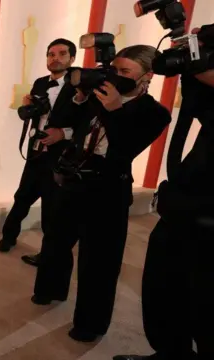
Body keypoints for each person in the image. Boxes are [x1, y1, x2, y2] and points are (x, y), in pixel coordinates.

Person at [32, 45, 171, 343]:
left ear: (146, 76)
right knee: (55, 240)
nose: (116, 77)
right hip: (74, 176)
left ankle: (90, 324)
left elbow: (125, 148)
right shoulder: (99, 94)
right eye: (114, 70)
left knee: (99, 262)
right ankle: (50, 290)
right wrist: (79, 101)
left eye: (125, 72)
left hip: (108, 186)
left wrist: (115, 109)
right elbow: (78, 126)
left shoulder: (155, 113)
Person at [114, 28, 214, 360]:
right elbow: (200, 109)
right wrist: (193, 71)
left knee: (204, 300)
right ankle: (171, 352)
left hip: (205, 217)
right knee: (165, 288)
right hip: (186, 208)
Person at [0, 38, 80, 268]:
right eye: (51, 54)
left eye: (62, 54)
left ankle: (47, 254)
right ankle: (8, 236)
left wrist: (64, 133)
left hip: (60, 156)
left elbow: (86, 122)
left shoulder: (79, 86)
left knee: (51, 208)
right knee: (22, 197)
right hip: (37, 152)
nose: (55, 58)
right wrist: (28, 107)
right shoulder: (41, 82)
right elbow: (38, 114)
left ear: (72, 59)